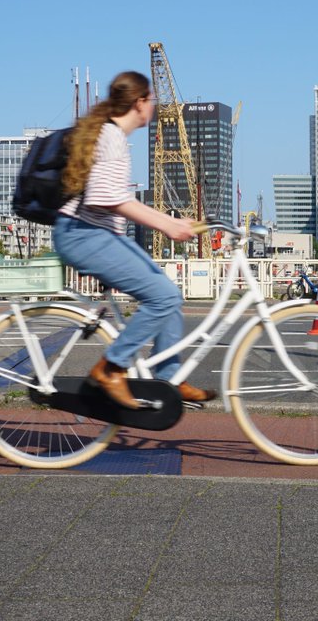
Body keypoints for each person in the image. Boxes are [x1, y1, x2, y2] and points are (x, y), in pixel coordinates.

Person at [53, 70, 217, 410]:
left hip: (98, 235)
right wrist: (167, 226)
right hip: (83, 236)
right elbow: (110, 199)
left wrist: (169, 222)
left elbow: (114, 200)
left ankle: (168, 378)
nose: (154, 107)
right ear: (140, 102)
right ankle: (111, 368)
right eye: (152, 100)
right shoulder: (110, 137)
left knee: (167, 293)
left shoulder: (112, 135)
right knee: (160, 296)